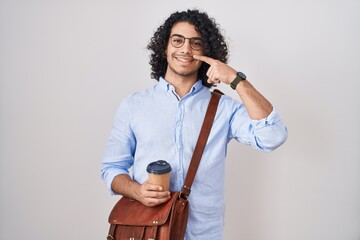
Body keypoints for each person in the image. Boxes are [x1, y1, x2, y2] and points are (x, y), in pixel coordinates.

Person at [101, 9, 287, 239]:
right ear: (164, 47)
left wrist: (235, 79)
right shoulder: (134, 105)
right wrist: (137, 191)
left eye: (195, 44)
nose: (186, 50)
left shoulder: (223, 108)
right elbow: (112, 169)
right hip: (148, 231)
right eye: (177, 40)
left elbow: (273, 136)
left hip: (204, 233)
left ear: (207, 52)